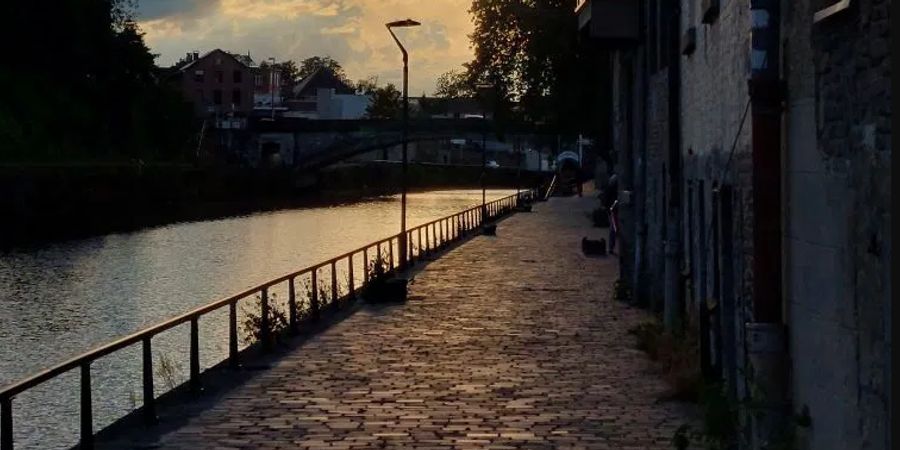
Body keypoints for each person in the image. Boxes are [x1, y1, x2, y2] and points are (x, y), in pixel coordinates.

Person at [603, 173, 619, 253]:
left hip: (613, 207)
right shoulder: (614, 182)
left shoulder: (612, 181)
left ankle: (611, 247)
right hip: (614, 208)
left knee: (613, 228)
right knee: (614, 228)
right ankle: (611, 247)